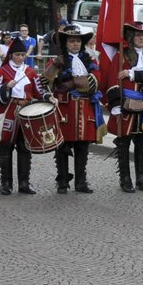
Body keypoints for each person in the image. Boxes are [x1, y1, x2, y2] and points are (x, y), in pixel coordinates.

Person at [104, 21, 143, 193]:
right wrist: (115, 106)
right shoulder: (121, 56)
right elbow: (112, 81)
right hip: (125, 105)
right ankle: (125, 178)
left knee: (142, 142)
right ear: (131, 37)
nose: (141, 38)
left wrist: (133, 74)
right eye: (137, 35)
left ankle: (141, 178)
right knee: (123, 143)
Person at [43, 24, 100, 194]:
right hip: (64, 109)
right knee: (62, 146)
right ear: (66, 43)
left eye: (77, 41)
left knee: (83, 147)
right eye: (71, 41)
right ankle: (62, 181)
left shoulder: (91, 60)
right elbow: (45, 82)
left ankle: (81, 182)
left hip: (84, 108)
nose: (75, 44)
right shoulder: (58, 60)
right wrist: (54, 67)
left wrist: (73, 82)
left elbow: (94, 82)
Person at [0, 36, 44, 195]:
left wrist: (48, 97)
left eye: (22, 55)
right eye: (17, 55)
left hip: (26, 113)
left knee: (25, 148)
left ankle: (24, 183)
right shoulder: (2, 71)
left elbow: (39, 92)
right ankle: (5, 183)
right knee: (5, 148)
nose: (20, 57)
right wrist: (6, 87)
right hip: (8, 113)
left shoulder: (31, 72)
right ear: (11, 55)